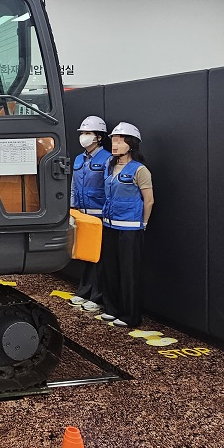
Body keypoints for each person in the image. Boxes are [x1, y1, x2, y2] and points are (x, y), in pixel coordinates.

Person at [96, 122, 154, 328]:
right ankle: (111, 309)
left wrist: (143, 223)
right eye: (113, 140)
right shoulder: (109, 167)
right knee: (110, 269)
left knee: (129, 273)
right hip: (110, 226)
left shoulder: (140, 170)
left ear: (131, 144)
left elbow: (149, 200)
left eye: (120, 140)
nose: (115, 144)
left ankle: (130, 315)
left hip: (130, 228)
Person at [68, 116, 112, 313]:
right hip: (82, 215)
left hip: (100, 215)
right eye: (82, 133)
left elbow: (109, 187)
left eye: (88, 133)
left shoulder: (108, 159)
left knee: (100, 259)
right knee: (86, 256)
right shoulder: (79, 159)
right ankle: (84, 291)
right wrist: (72, 207)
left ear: (99, 137)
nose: (84, 137)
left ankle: (98, 296)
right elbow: (73, 186)